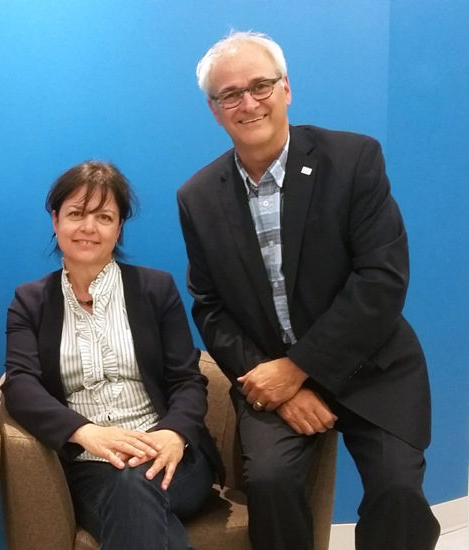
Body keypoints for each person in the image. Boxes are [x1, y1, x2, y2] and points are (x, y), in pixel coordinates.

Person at [177, 31, 440, 550]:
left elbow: (382, 280)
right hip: (270, 376)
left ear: (287, 89)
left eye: (260, 86)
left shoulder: (354, 159)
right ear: (214, 109)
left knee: (397, 490)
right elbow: (209, 308)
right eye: (230, 94)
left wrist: (299, 371)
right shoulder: (198, 197)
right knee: (270, 482)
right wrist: (278, 385)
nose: (248, 103)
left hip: (373, 365)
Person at [2, 161, 222, 550]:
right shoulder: (30, 301)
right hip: (90, 466)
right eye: (76, 214)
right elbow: (20, 385)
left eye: (104, 216)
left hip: (170, 456)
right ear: (55, 221)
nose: (89, 227)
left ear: (119, 227)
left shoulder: (155, 290)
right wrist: (85, 433)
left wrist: (173, 434)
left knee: (134, 487)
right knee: (133, 499)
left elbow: (187, 379)